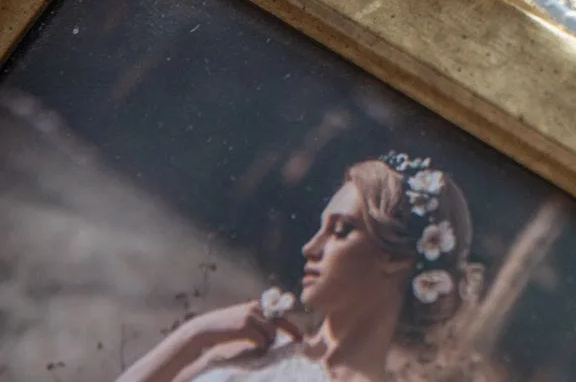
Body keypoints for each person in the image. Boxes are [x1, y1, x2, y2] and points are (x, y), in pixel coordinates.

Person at [117, 154, 478, 382]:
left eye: (341, 231)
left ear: (397, 259)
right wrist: (196, 335)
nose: (310, 248)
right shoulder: (255, 348)